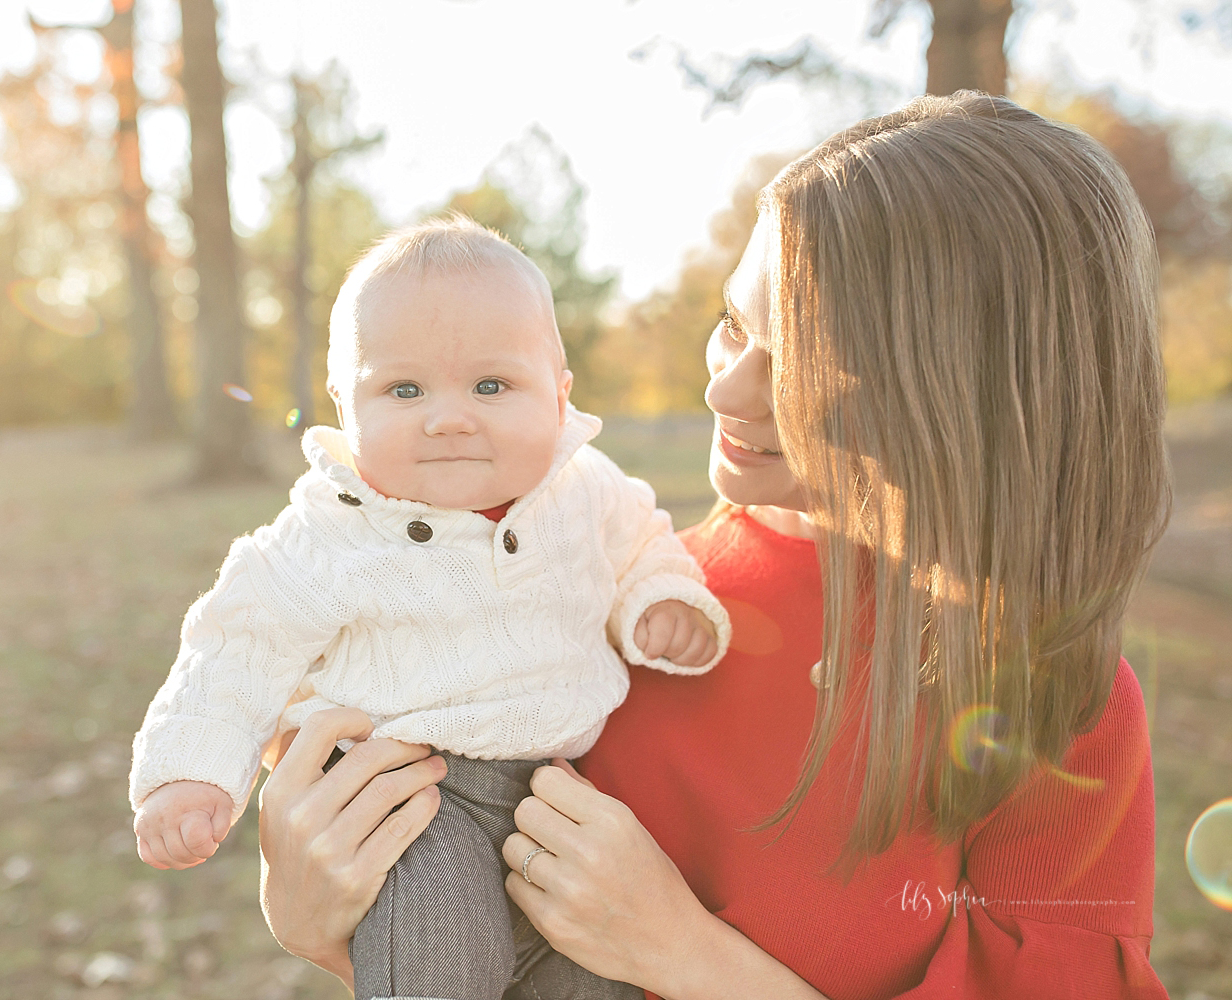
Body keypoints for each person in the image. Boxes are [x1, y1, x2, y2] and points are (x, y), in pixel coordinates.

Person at [257, 93, 1172, 1000]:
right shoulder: (634, 597)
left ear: (968, 395)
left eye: (807, 364)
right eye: (735, 324)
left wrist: (686, 957)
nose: (728, 393)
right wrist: (321, 923)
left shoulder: (1056, 706)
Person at [128, 216, 732, 1000]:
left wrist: (660, 599)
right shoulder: (329, 531)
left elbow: (641, 546)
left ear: (558, 393)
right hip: (411, 799)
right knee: (438, 962)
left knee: (595, 973)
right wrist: (190, 776)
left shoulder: (583, 489)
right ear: (345, 404)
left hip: (555, 795)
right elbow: (234, 649)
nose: (449, 417)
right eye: (403, 389)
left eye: (491, 385)